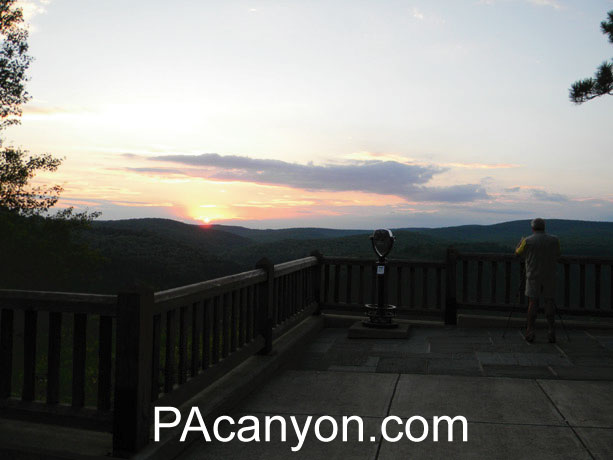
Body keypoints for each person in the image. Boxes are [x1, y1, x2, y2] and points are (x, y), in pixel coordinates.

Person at [515, 218, 560, 343]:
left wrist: (518, 245)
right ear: (544, 227)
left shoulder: (527, 241)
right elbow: (558, 254)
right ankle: (551, 331)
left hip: (533, 276)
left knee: (533, 303)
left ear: (532, 228)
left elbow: (518, 253)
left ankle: (530, 331)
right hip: (549, 276)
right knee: (549, 301)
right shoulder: (554, 240)